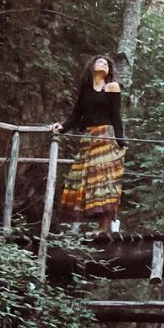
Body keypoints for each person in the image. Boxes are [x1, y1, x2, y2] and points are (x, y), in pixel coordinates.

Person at [50, 54, 126, 233]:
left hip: (106, 136)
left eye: (107, 64)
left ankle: (105, 227)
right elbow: (76, 114)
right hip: (88, 138)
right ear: (92, 67)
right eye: (101, 62)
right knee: (81, 179)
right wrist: (61, 127)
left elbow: (116, 115)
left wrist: (120, 140)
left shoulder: (112, 86)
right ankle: (74, 228)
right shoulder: (86, 89)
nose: (104, 65)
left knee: (104, 180)